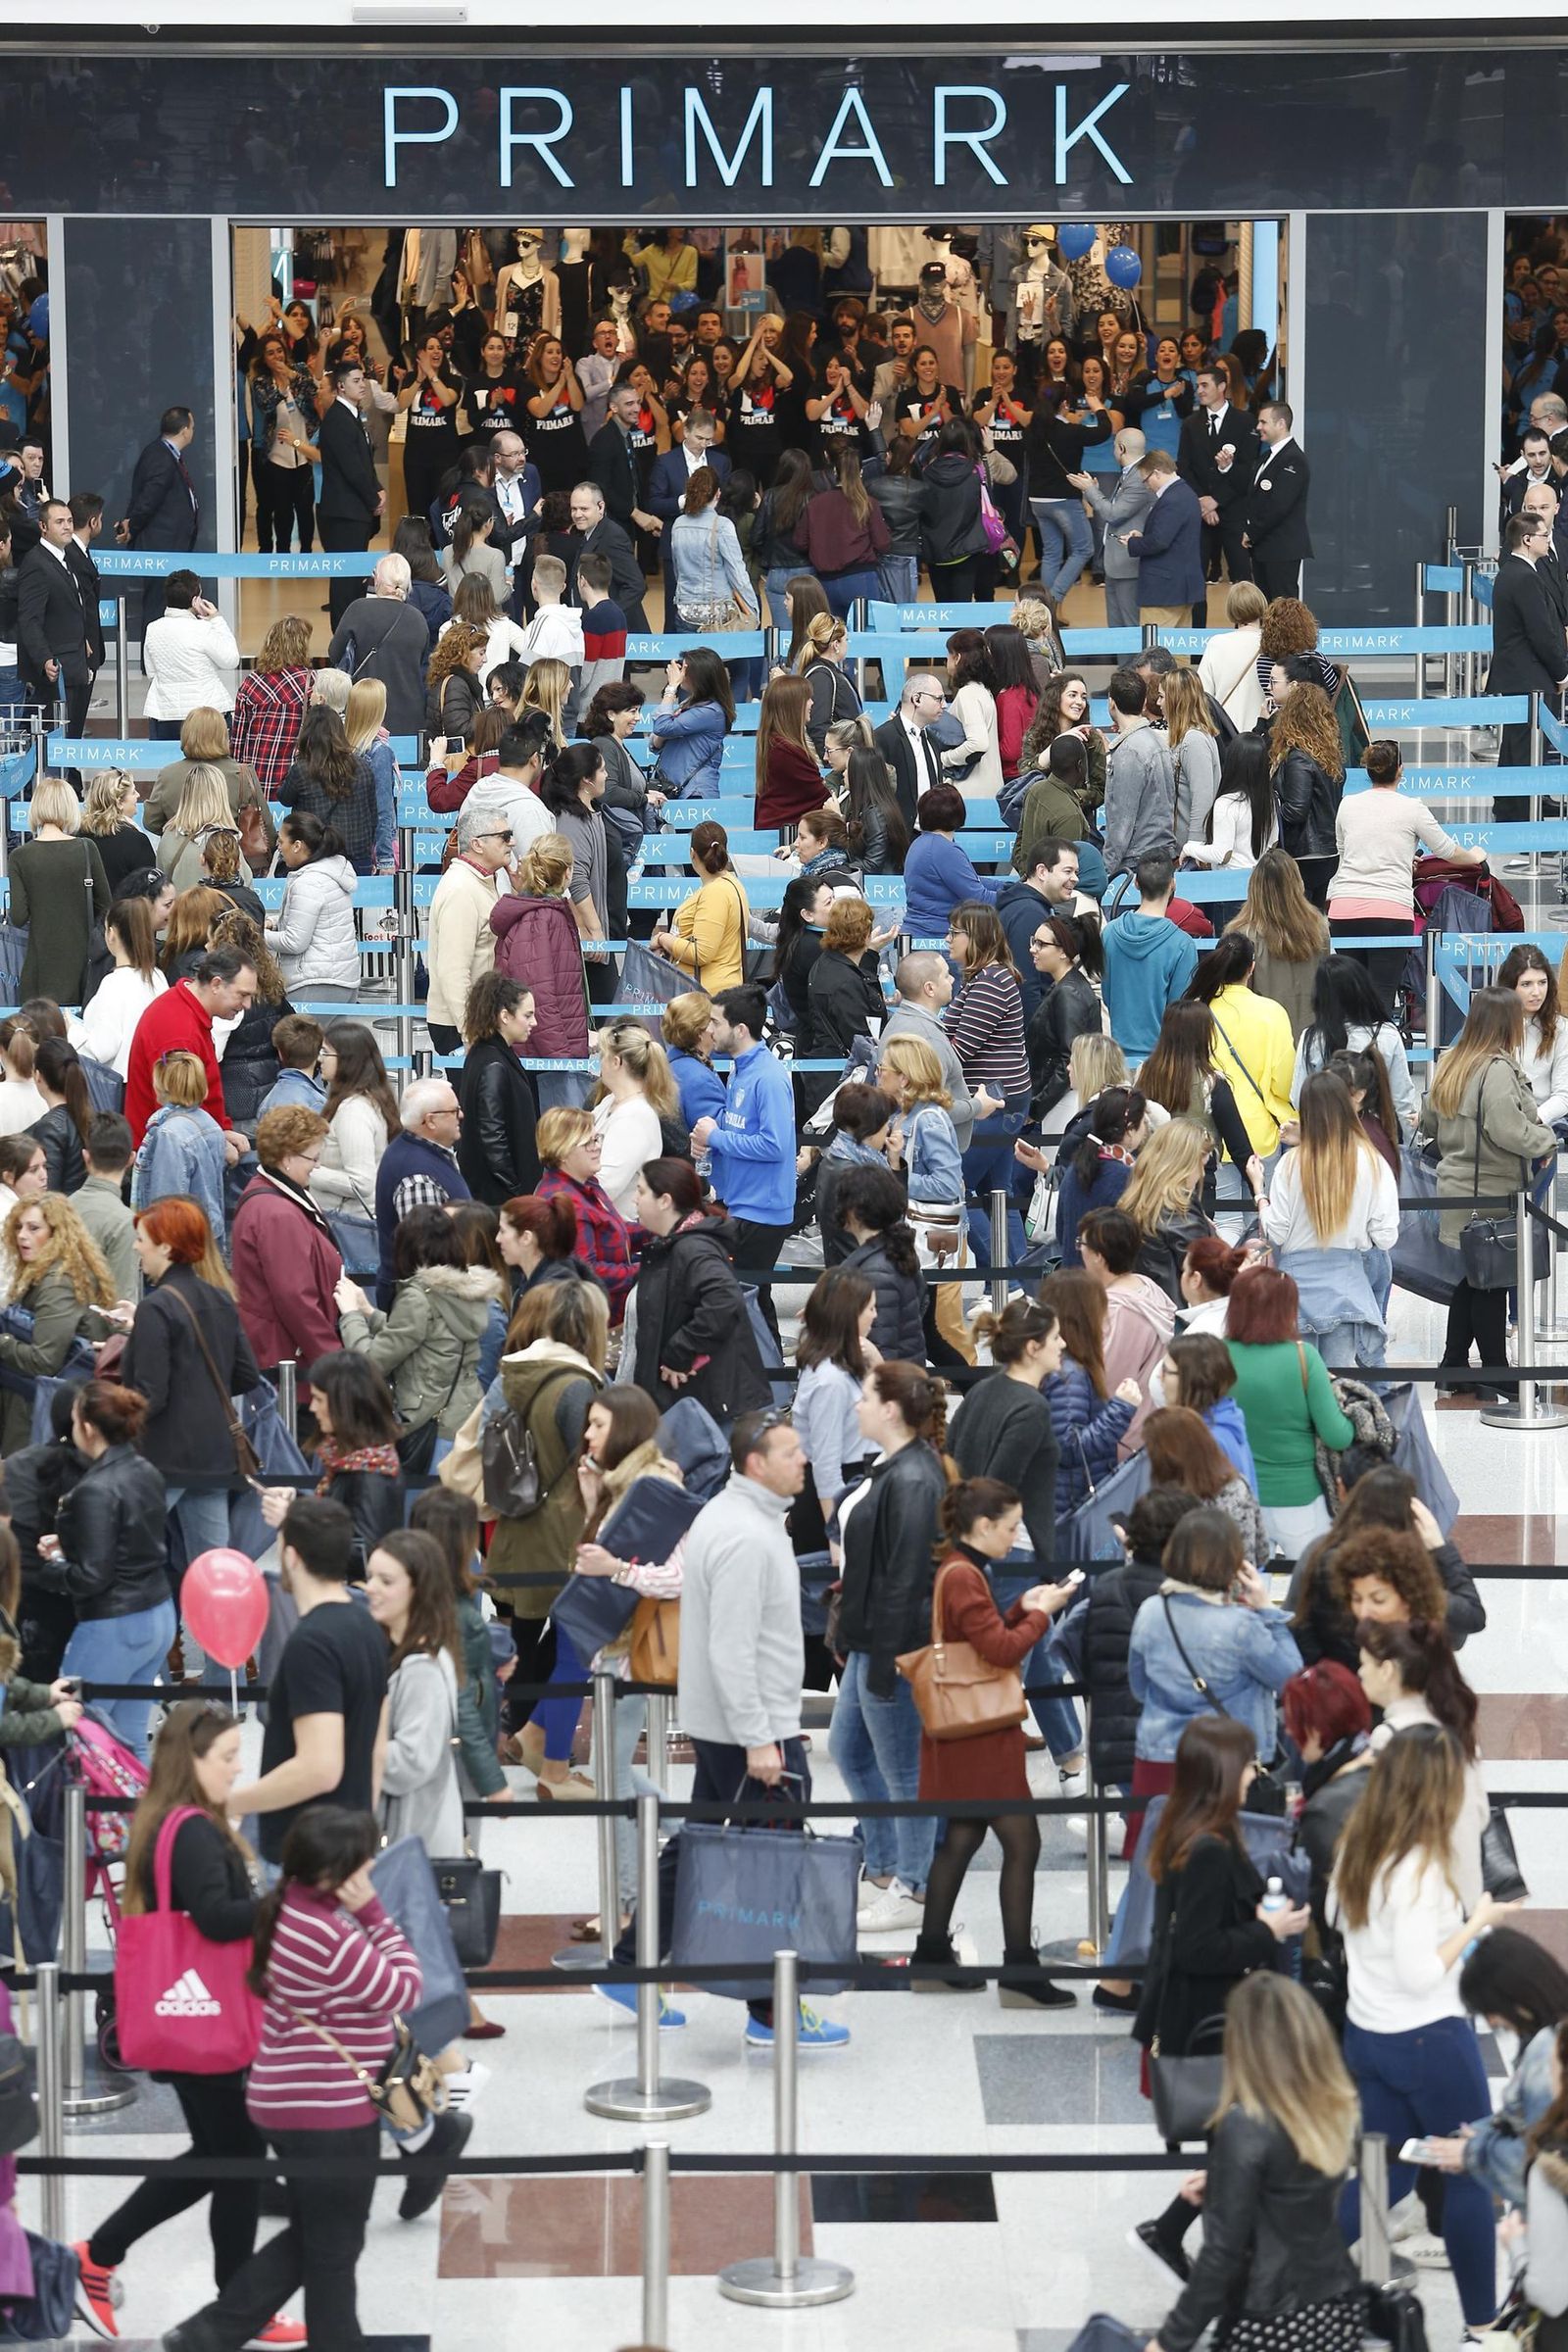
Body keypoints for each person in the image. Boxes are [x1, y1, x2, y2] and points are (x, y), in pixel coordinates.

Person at [157, 1805, 435, 2352]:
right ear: (334, 1872)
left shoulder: (288, 1907)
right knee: (333, 2242)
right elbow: (405, 1988)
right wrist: (376, 1915)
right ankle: (225, 2333)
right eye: (364, 1857)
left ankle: (215, 2332)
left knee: (320, 2232)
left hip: (287, 2098)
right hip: (329, 2109)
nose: (373, 1863)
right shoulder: (324, 1932)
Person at [71, 1703, 286, 2345]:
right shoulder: (192, 1830)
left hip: (188, 2021)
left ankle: (226, 2301)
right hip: (207, 2022)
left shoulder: (171, 1824)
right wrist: (283, 1900)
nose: (237, 1767)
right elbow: (218, 1919)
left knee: (225, 2158)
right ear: (190, 1762)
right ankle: (108, 2257)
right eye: (226, 1757)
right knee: (237, 2160)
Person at [1329, 1729, 1516, 2335]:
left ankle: (1278, 2280)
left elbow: (1343, 1928)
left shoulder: (1359, 1844)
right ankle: (1482, 2327)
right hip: (1428, 2039)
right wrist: (1477, 1921)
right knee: (1466, 2168)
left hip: (1370, 2035)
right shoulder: (1419, 1867)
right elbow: (1418, 1972)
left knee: (1388, 2174)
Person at [1129, 1711, 1310, 2281]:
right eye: (1249, 1763)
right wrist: (1266, 1932)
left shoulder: (1187, 1827)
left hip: (1198, 2018)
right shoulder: (1207, 1846)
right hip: (1208, 2024)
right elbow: (1198, 1950)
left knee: (1234, 2147)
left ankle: (1176, 2233)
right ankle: (1226, 2271)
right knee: (1239, 2146)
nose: (1256, 1772)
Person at [910, 1478, 1079, 2004]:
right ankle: (1019, 1973)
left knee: (962, 1836)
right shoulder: (965, 1576)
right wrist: (1039, 1613)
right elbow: (1002, 1652)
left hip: (966, 1734)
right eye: (1010, 1528)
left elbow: (980, 1641)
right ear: (983, 1526)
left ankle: (932, 1955)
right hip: (981, 1738)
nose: (1015, 1537)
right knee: (1022, 1843)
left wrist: (1020, 1607)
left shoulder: (960, 1569)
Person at [1140, 1972, 1363, 2345]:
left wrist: (1168, 2340)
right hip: (1335, 2304)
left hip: (1267, 2317)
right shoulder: (1332, 2106)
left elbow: (1220, 2256)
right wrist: (1231, 2183)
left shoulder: (1245, 2125)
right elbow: (1296, 2190)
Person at [831, 1361, 950, 1936]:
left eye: (866, 1397)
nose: (856, 1405)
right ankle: (883, 1866)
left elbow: (906, 1578)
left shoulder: (914, 1479)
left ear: (892, 1410)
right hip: (870, 1640)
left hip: (893, 1647)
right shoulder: (896, 1468)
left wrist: (883, 1658)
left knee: (903, 1769)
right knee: (849, 1749)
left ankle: (913, 1883)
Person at [227, 1496, 391, 1869]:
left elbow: (319, 1768)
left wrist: (230, 1803)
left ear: (291, 1557)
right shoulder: (368, 1625)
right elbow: (377, 1746)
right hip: (349, 1837)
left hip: (305, 1848)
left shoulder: (311, 1643)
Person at [485, 1279, 608, 1746]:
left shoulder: (523, 1372)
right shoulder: (575, 1386)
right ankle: (520, 1730)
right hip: (562, 1524)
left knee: (530, 1632)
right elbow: (591, 1456)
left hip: (524, 1516)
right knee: (567, 1632)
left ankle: (515, 1728)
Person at [1422, 985, 1555, 1398]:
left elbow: (1428, 1122)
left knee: (1471, 1278)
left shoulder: (1451, 1061)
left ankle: (1453, 1366)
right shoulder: (1496, 1069)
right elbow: (1507, 1128)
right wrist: (1545, 1143)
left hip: (1456, 1188)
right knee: (1492, 1284)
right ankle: (1497, 1372)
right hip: (1491, 1191)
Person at [120, 1195, 263, 1572]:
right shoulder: (219, 1298)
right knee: (212, 1571)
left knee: (131, 1561)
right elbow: (247, 1374)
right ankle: (208, 1633)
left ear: (165, 1246)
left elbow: (151, 1396)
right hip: (215, 1454)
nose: (137, 1248)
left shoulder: (155, 1308)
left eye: (142, 1240)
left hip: (164, 1456)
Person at [41, 1381, 173, 1757]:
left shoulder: (94, 1489)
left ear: (87, 1427)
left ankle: (83, 1817)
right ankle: (141, 1816)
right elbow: (132, 1541)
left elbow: (92, 1577)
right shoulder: (146, 1470)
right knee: (132, 1741)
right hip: (157, 1612)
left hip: (115, 1623)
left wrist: (47, 1569)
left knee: (75, 1734)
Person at [336, 1203, 497, 1469]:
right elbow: (429, 1335)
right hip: (466, 1418)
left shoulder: (419, 1297)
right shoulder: (466, 1290)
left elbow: (370, 1364)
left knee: (422, 1508)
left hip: (429, 1426)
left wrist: (351, 1315)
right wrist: (369, 1312)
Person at [1328, 739, 1482, 1010]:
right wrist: (1474, 856)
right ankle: (1379, 1051)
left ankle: (1347, 1051)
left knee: (1351, 1001)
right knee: (1382, 1001)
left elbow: (1345, 851)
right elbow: (1446, 849)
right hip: (1390, 912)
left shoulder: (1347, 805)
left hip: (1343, 910)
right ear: (1400, 769)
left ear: (1367, 770)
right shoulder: (1413, 808)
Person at [1222, 1263, 1354, 1554]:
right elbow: (1337, 1436)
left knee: (1247, 1592)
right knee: (1311, 1589)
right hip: (1300, 1497)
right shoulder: (1303, 1357)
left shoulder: (1218, 1356)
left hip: (1238, 1497)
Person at [627, 1157, 771, 1425]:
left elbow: (725, 1299)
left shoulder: (694, 1248)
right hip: (694, 1402)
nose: (635, 1200)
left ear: (665, 1201)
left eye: (641, 1191)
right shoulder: (676, 1244)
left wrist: (678, 1353)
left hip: (706, 1405)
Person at [689, 984, 797, 1311]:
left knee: (747, 1303)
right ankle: (763, 1362)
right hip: (744, 1203)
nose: (709, 1029)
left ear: (739, 1029)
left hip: (762, 1210)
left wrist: (717, 1138)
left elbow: (774, 1146)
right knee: (752, 1302)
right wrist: (711, 1138)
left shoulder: (768, 1077)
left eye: (715, 1022)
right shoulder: (740, 1067)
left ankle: (766, 1362)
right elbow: (741, 1127)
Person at [365, 1529, 464, 1854]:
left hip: (412, 1843)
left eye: (386, 1581)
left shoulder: (422, 1669)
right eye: (371, 1577)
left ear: (418, 1589)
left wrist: (345, 1745)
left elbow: (411, 1762)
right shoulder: (402, 1650)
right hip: (407, 1836)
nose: (372, 1589)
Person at [0, 1193, 115, 1452]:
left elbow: (44, 1360)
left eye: (33, 1228)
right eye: (18, 1227)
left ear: (57, 1233)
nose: (21, 1235)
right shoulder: (49, 1272)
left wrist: (4, 1341)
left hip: (41, 1410)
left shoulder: (58, 1282)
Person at [124, 944, 258, 1151]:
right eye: (242, 995)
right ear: (216, 984)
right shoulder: (178, 1032)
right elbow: (178, 1120)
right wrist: (218, 1146)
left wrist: (221, 1131)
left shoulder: (184, 1012)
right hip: (168, 1159)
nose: (248, 1005)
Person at [1185, 931, 1297, 1159]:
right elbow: (1284, 1083)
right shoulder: (1272, 1012)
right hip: (1261, 1131)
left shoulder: (1197, 1011)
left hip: (1210, 1133)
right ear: (1251, 967)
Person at [1077, 1204, 1177, 1452]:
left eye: (1083, 1244)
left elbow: (1107, 1381)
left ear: (1099, 1256)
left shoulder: (1116, 1310)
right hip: (1152, 1427)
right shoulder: (1148, 1287)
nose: (1079, 1250)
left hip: (1123, 1438)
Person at [1291, 953, 1417, 1142]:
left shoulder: (1312, 1038)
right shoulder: (1387, 1034)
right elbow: (1403, 1100)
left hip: (1327, 1138)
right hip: (1376, 1138)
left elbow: (1298, 1097)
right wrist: (1412, 1147)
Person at [8, 777, 112, 1005]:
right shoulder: (86, 849)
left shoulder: (20, 856)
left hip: (39, 969)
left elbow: (18, 916)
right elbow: (106, 906)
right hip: (82, 965)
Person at [535, 1107, 634, 1320]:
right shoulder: (565, 1200)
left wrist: (663, 1231)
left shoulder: (588, 1184)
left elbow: (612, 1232)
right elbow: (587, 1271)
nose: (597, 1147)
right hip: (592, 1320)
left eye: (597, 1138)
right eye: (588, 1143)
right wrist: (646, 1271)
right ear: (562, 1151)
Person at [1222, 850, 1330, 1044]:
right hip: (1312, 1041)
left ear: (1253, 886)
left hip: (1261, 1043)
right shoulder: (1319, 930)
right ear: (1298, 884)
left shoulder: (1241, 935)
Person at [1102, 856, 1200, 1062]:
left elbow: (1106, 993)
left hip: (1115, 1055)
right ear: (1173, 884)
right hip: (1160, 1061)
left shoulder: (1109, 933)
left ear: (1136, 883)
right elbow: (1180, 1012)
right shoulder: (1182, 944)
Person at [455, 973, 538, 1208]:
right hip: (498, 1200)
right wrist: (515, 1190)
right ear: (505, 1016)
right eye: (528, 1015)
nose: (534, 1023)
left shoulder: (484, 1055)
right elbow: (492, 1136)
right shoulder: (495, 1064)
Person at [324, 555, 428, 739]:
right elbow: (422, 665)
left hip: (367, 715)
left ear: (378, 579)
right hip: (409, 718)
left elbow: (334, 653)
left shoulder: (358, 610)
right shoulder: (418, 619)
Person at [132, 1048, 228, 1239]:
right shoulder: (211, 1124)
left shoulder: (170, 1133)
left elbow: (166, 1200)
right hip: (207, 1231)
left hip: (180, 1240)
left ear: (163, 1086)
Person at [883, 952, 975, 1150]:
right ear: (930, 988)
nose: (952, 980)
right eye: (946, 975)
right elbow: (928, 1108)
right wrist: (978, 1106)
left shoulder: (901, 1022)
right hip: (929, 1155)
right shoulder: (927, 1037)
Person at [648, 818, 750, 997]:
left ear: (692, 854)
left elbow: (701, 953)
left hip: (707, 996)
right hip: (716, 990)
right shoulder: (731, 884)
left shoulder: (715, 892)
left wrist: (663, 938)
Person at [141, 571, 241, 734]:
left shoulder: (152, 628)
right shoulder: (203, 629)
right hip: (205, 714)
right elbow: (231, 660)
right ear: (195, 601)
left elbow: (151, 672)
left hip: (164, 713)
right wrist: (217, 619)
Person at [1102, 665, 1177, 878]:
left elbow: (1123, 819)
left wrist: (1106, 870)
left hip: (1137, 860)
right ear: (1144, 703)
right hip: (1159, 853)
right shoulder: (1157, 741)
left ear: (1111, 703)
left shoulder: (1129, 751)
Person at [229, 615, 315, 789]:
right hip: (294, 780)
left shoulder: (252, 682)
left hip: (255, 778)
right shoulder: (311, 682)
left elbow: (238, 740)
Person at [1123, 448, 1204, 625]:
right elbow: (1171, 535)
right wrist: (1144, 536)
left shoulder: (1172, 499)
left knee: (1154, 647)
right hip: (1181, 585)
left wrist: (1134, 542)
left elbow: (1160, 541)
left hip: (1164, 589)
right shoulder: (1186, 493)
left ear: (1157, 473)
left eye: (1146, 480)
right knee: (1180, 650)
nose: (1147, 486)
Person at [646, 646, 735, 799]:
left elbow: (662, 727)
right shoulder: (691, 703)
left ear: (699, 676)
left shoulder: (711, 712)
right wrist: (662, 734)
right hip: (676, 788)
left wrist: (671, 687)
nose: (680, 674)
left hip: (695, 792)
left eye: (684, 670)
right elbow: (655, 743)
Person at [1500, 941, 1568, 1141]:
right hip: (1496, 1119)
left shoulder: (1561, 1028)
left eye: (1542, 982)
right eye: (1526, 984)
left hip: (1540, 1122)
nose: (1537, 992)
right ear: (1510, 986)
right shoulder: (1493, 1022)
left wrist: (1531, 1121)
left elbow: (1563, 1095)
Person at [73, 1112, 138, 1299]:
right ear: (131, 1159)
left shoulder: (63, 1207)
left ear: (86, 1156)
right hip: (99, 1327)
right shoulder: (125, 1222)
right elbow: (122, 1299)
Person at [940, 629, 1004, 802]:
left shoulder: (968, 693)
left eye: (948, 655)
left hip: (970, 792)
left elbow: (978, 743)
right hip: (990, 788)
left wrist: (943, 759)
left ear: (958, 657)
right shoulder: (984, 691)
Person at [25, 1032, 92, 1195]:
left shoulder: (50, 1127)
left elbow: (49, 1189)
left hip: (63, 1214)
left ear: (38, 1076)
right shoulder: (89, 1116)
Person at [662, 992, 726, 1133]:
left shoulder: (673, 1063)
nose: (718, 1028)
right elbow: (714, 1139)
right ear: (699, 1031)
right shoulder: (699, 1079)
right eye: (713, 1021)